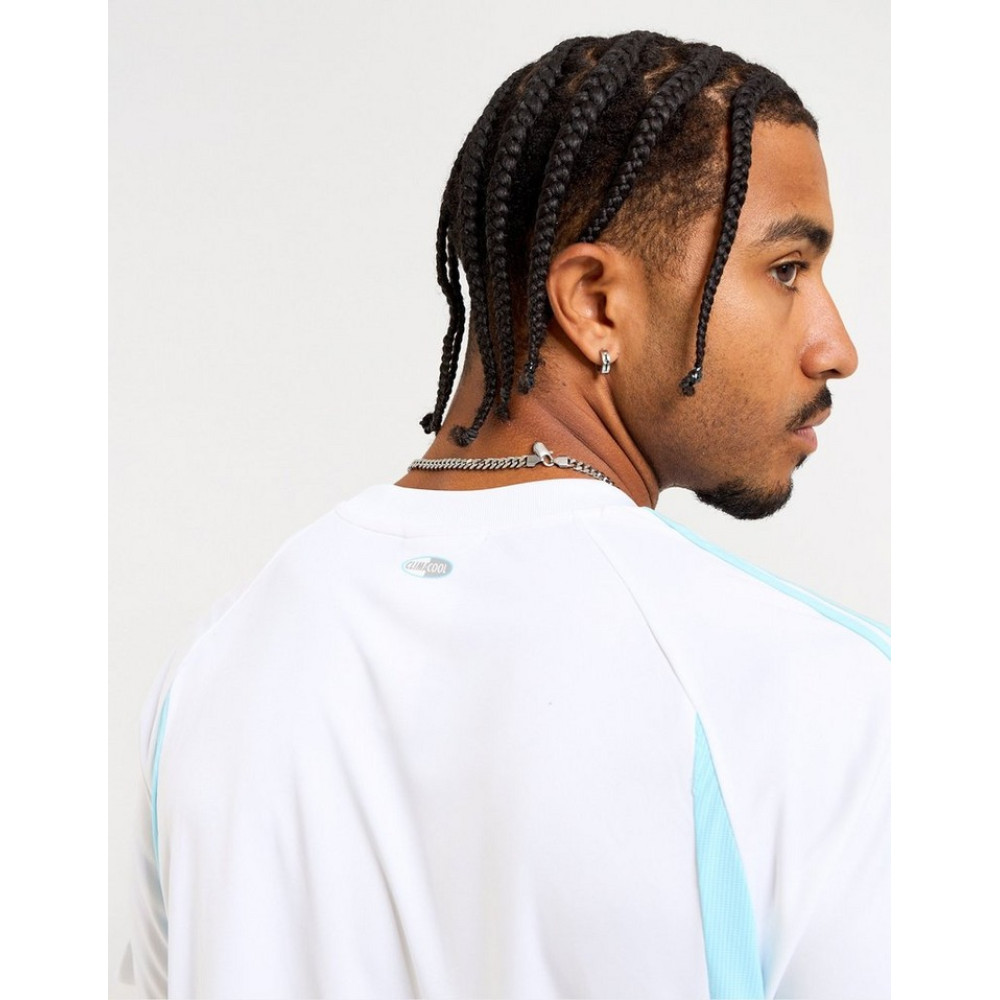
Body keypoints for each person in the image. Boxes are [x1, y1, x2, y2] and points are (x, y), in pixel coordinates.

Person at [127, 31, 889, 999]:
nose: (835, 345)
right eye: (787, 269)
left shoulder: (211, 672)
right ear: (595, 302)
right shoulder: (817, 692)